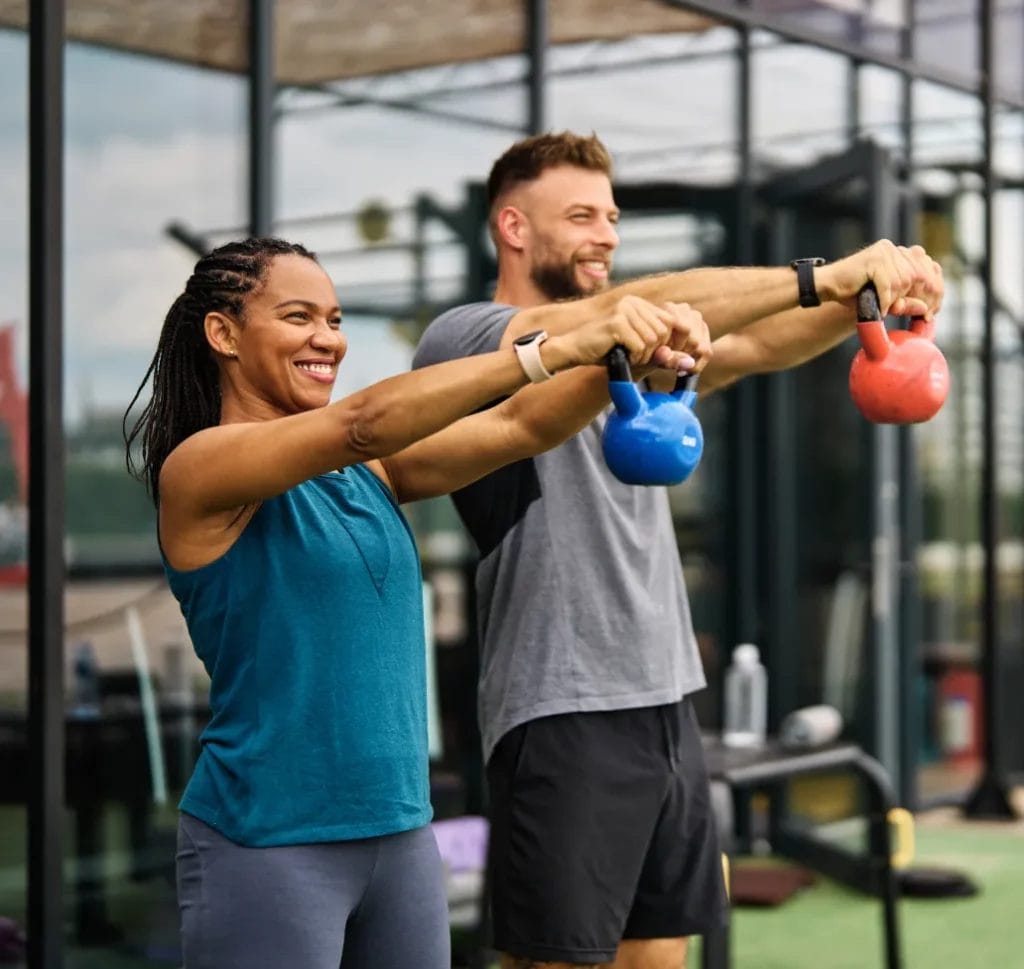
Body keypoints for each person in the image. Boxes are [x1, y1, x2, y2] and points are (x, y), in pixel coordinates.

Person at [412, 131, 945, 969]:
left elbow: (756, 345)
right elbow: (619, 311)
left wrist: (863, 305)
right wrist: (824, 274)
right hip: (561, 703)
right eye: (582, 215)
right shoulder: (472, 338)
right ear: (513, 227)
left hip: (664, 700)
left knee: (661, 958)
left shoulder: (623, 350)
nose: (607, 235)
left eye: (613, 216)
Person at [122, 236, 708, 969]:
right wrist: (556, 345)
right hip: (269, 844)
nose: (326, 340)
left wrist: (617, 364)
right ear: (224, 333)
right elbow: (359, 420)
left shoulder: (370, 472)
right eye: (300, 316)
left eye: (335, 320)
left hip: (400, 840)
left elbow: (520, 426)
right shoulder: (201, 467)